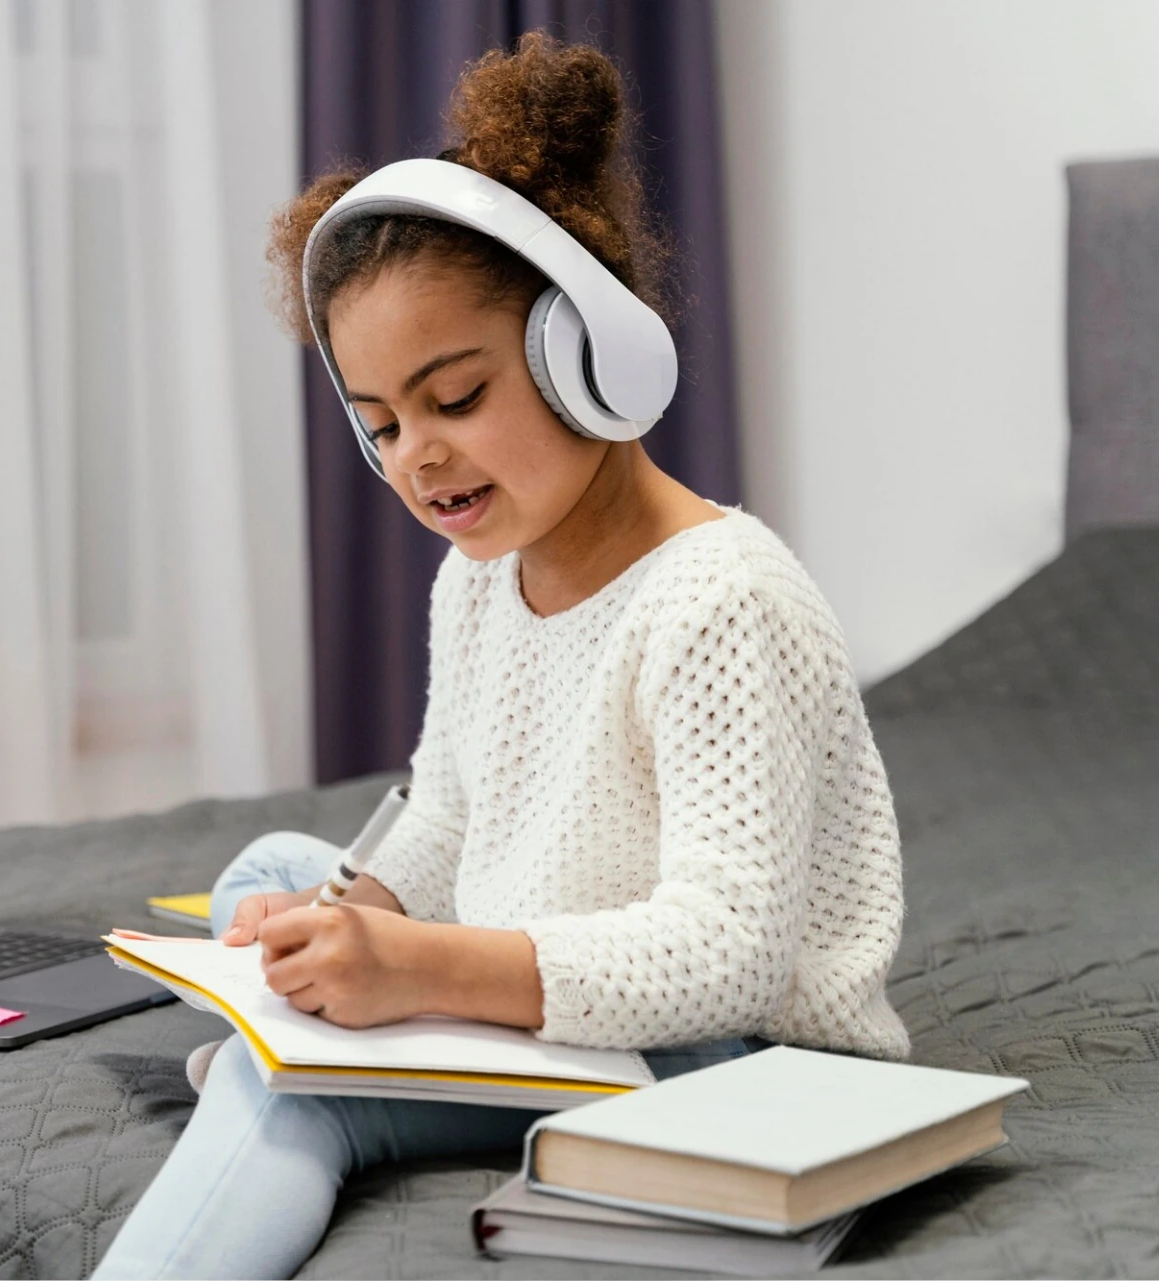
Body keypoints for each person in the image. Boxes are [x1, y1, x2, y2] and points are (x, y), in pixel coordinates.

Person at [92, 33, 910, 1281]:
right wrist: (358, 914)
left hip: (727, 1054)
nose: (415, 456)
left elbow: (727, 951)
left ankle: (290, 1088)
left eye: (455, 398)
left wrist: (420, 967)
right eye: (380, 426)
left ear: (585, 355)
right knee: (279, 875)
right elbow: (449, 817)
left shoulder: (718, 596)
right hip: (544, 984)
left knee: (290, 1092)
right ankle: (310, 1040)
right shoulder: (475, 583)